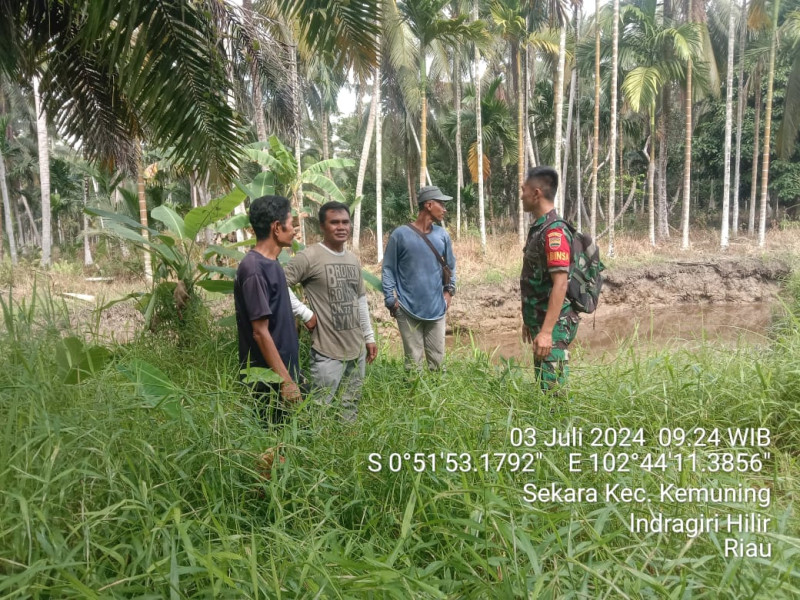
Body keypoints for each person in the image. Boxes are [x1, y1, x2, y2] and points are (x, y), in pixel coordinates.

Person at [283, 201, 378, 422]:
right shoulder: (309, 257)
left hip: (356, 349)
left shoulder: (353, 259)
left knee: (350, 406)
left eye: (345, 222)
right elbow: (277, 285)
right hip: (327, 350)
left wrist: (369, 337)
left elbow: (361, 300)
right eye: (334, 222)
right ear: (322, 227)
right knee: (320, 409)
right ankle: (315, 453)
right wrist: (305, 314)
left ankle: (348, 450)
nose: (341, 227)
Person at [234, 194, 302, 424]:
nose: (294, 230)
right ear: (276, 227)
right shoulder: (254, 269)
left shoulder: (272, 263)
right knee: (273, 448)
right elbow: (260, 332)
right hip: (269, 380)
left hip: (282, 372)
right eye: (291, 223)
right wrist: (286, 382)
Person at [382, 185, 456, 371]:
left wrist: (449, 292)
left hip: (436, 308)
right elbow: (388, 268)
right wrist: (391, 299)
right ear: (429, 205)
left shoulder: (442, 235)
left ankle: (438, 398)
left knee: (438, 362)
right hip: (407, 309)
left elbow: (451, 267)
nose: (445, 209)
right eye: (442, 204)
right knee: (413, 363)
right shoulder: (400, 235)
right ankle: (415, 398)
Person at [520, 166, 579, 391]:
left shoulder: (554, 232)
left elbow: (560, 283)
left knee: (555, 394)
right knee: (545, 386)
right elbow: (537, 279)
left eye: (523, 190)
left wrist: (546, 332)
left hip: (553, 325)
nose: (521, 195)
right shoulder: (540, 228)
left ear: (536, 193)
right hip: (542, 321)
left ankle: (562, 428)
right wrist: (530, 320)